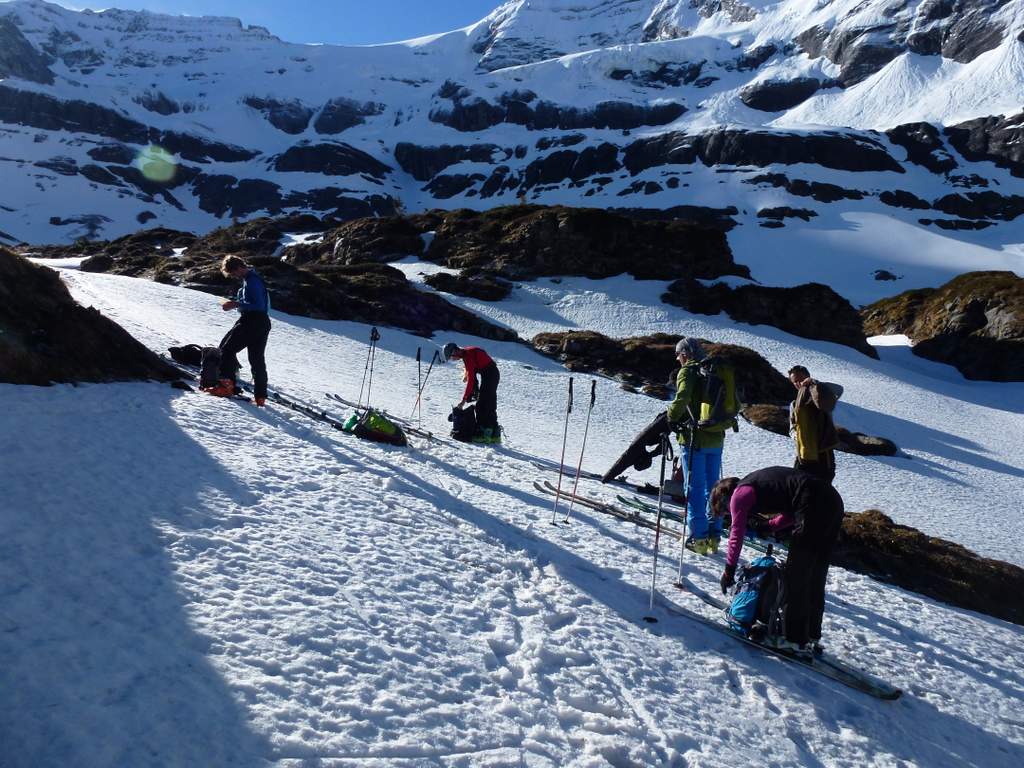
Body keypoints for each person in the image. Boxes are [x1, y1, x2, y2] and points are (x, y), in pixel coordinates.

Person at [710, 467, 844, 657]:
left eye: (725, 512)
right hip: (832, 500)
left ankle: (794, 640)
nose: (730, 513)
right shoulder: (757, 484)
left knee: (796, 575)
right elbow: (790, 513)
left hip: (812, 500)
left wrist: (729, 570)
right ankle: (811, 634)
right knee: (816, 574)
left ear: (724, 499)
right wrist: (768, 527)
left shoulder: (739, 494)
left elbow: (736, 534)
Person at [666, 337, 732, 556]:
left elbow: (682, 398)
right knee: (715, 489)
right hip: (716, 437)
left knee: (694, 489)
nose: (677, 359)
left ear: (685, 354)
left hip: (694, 439)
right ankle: (714, 535)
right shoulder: (717, 370)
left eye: (678, 355)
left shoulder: (688, 372)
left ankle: (699, 538)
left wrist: (671, 416)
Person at [205, 255, 271, 406]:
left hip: (252, 320)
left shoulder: (252, 281)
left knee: (226, 349)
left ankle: (226, 386)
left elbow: (258, 305)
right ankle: (260, 397)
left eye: (234, 272)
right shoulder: (252, 280)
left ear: (240, 267)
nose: (235, 276)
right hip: (262, 322)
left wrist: (234, 304)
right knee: (256, 359)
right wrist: (236, 303)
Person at [788, 366, 843, 483]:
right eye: (795, 382)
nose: (798, 384)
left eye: (800, 379)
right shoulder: (794, 404)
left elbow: (839, 390)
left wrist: (815, 383)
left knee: (823, 485)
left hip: (823, 451)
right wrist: (797, 435)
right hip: (803, 452)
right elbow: (792, 427)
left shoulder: (821, 395)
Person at [443, 342, 500, 443]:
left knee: (483, 404)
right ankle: (494, 434)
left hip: (490, 375)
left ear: (455, 352)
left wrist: (464, 400)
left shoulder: (468, 355)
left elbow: (471, 381)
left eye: (451, 357)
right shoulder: (466, 353)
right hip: (491, 374)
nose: (453, 359)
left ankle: (485, 434)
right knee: (489, 403)